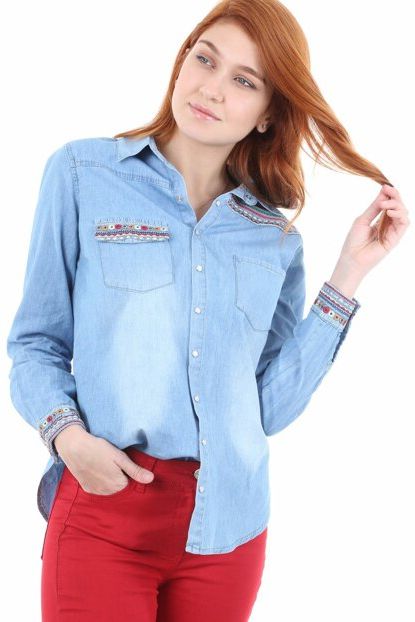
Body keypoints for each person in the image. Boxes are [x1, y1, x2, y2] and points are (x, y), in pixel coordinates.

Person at [6, 1, 409, 621]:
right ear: (181, 61)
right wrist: (67, 436)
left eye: (244, 81)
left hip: (229, 527)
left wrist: (348, 276)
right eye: (205, 59)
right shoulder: (84, 174)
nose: (211, 88)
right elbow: (37, 342)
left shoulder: (274, 240)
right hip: (105, 507)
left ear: (268, 114)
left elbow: (267, 409)